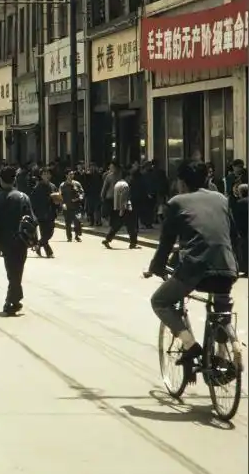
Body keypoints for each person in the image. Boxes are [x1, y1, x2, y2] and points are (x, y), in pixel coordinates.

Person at [146, 161, 239, 382]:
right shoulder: (221, 199)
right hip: (227, 268)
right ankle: (230, 350)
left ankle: (191, 345)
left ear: (182, 182)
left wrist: (156, 266)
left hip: (196, 269)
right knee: (221, 313)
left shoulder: (177, 202)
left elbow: (166, 241)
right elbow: (234, 235)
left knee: (159, 301)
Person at [0, 166, 34, 316]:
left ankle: (14, 300)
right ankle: (11, 301)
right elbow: (31, 220)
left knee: (12, 270)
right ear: (15, 180)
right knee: (17, 270)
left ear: (0, 181)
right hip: (21, 239)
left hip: (4, 241)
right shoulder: (23, 197)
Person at [102, 169, 138, 249]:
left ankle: (107, 239)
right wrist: (122, 209)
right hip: (125, 209)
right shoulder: (125, 185)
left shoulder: (117, 184)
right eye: (130, 176)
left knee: (116, 226)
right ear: (127, 177)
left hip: (117, 208)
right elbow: (124, 198)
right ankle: (133, 243)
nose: (131, 178)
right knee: (131, 226)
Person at [30, 166, 57, 258]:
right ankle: (49, 252)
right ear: (41, 176)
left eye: (47, 173)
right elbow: (33, 201)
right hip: (41, 213)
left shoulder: (53, 186)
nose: (46, 175)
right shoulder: (38, 187)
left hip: (51, 213)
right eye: (44, 174)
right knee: (44, 233)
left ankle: (38, 245)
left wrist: (58, 202)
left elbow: (58, 197)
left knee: (50, 232)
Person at [59, 170, 85, 242]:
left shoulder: (77, 183)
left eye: (72, 174)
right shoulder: (62, 185)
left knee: (77, 221)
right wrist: (62, 204)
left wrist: (79, 198)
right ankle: (69, 237)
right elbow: (60, 196)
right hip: (67, 206)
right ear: (66, 175)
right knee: (68, 223)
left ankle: (77, 236)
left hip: (77, 206)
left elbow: (82, 193)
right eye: (70, 174)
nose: (71, 176)